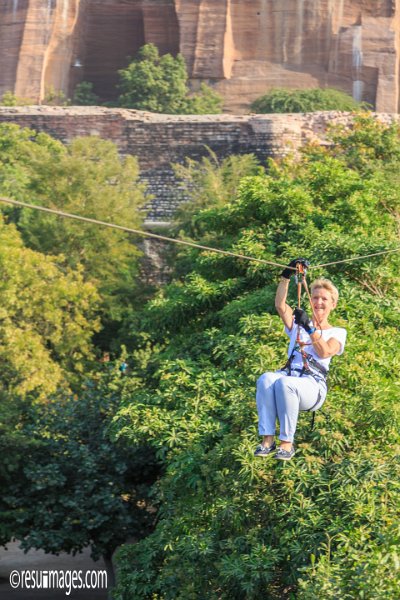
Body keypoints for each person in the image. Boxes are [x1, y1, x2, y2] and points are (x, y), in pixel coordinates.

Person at [254, 259, 347, 461]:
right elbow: (280, 305)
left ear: (333, 304)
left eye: (324, 299)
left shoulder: (338, 332)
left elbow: (324, 352)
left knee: (286, 383)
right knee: (266, 379)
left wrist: (309, 328)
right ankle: (267, 440)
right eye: (315, 298)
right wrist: (286, 276)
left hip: (313, 386)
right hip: (289, 376)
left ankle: (287, 443)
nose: (318, 302)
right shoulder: (298, 324)